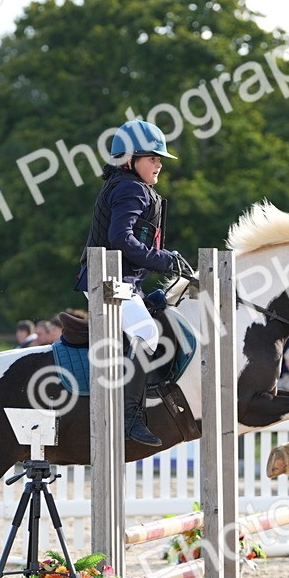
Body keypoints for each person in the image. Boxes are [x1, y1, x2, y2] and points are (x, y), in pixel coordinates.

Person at [74, 119, 190, 446]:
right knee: (147, 332)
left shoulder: (128, 185)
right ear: (129, 159)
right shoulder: (130, 187)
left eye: (159, 158)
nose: (159, 164)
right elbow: (121, 239)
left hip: (119, 282)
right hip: (108, 283)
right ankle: (129, 416)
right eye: (152, 157)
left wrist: (152, 272)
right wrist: (165, 259)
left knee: (155, 314)